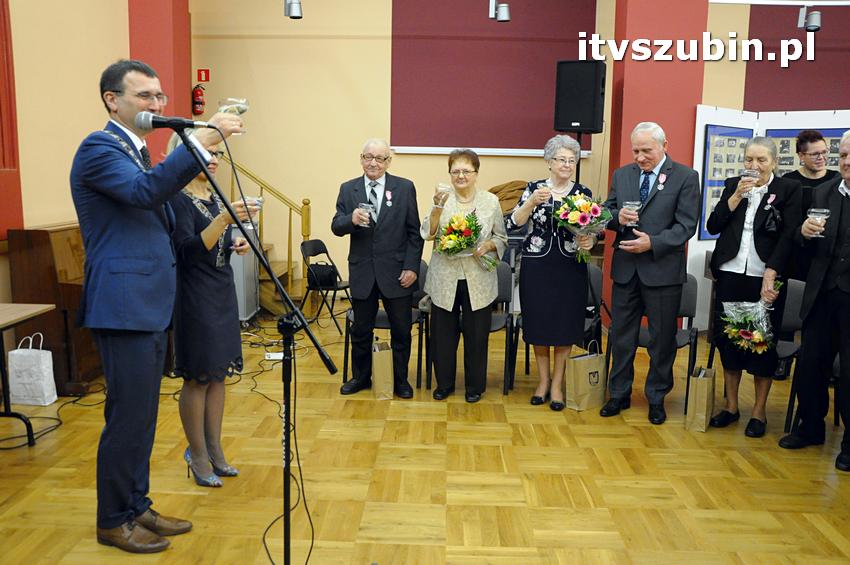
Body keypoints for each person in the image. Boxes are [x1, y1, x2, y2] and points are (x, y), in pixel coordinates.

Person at [70, 59, 242, 553]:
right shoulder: (99, 148)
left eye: (160, 97)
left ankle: (136, 505)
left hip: (149, 304)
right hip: (122, 305)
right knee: (127, 418)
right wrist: (201, 142)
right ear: (113, 100)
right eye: (145, 96)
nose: (157, 105)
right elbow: (145, 195)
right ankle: (112, 519)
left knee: (144, 417)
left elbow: (169, 222)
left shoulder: (139, 153)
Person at [166, 134, 256, 487]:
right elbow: (186, 252)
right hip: (194, 296)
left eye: (218, 152)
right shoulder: (176, 199)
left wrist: (235, 244)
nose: (215, 158)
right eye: (207, 152)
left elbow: (214, 246)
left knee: (218, 374)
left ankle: (216, 450)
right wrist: (225, 222)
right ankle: (197, 453)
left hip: (221, 291)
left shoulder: (213, 197)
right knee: (198, 376)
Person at [601, 122, 700, 425]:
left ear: (664, 145)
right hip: (626, 271)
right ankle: (619, 394)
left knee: (661, 340)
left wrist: (652, 243)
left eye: (647, 150)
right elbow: (605, 211)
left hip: (663, 272)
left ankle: (656, 397)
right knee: (621, 337)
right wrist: (616, 217)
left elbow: (686, 226)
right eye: (636, 151)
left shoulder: (685, 177)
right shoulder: (622, 175)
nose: (640, 157)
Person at [706, 137, 802, 438]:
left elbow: (789, 237)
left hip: (765, 277)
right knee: (730, 342)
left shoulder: (787, 190)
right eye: (749, 159)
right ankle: (731, 406)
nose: (754, 166)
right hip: (731, 272)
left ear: (774, 162)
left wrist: (772, 272)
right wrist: (735, 197)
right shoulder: (734, 184)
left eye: (761, 160)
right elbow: (713, 225)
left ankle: (758, 412)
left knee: (762, 344)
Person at [506, 135, 596, 411]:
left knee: (564, 327)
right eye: (561, 159)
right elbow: (513, 223)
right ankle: (543, 382)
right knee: (540, 325)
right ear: (549, 161)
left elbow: (591, 231)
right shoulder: (534, 189)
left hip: (570, 267)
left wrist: (588, 240)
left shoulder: (583, 193)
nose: (567, 165)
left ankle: (557, 385)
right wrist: (531, 202)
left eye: (572, 160)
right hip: (537, 267)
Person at [778, 129, 850, 473]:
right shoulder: (825, 191)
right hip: (821, 293)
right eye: (845, 156)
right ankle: (810, 428)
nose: (846, 162)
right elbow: (800, 239)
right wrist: (803, 234)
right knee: (811, 363)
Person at [331, 139, 424, 398]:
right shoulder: (348, 189)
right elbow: (336, 226)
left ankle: (400, 380)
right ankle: (361, 377)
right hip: (363, 273)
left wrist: (412, 267)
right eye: (368, 157)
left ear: (388, 161)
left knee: (401, 331)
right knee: (361, 330)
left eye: (380, 158)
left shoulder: (404, 188)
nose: (373, 163)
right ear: (361, 158)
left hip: (396, 273)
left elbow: (414, 234)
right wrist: (350, 219)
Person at [422, 149, 508, 403]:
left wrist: (489, 246)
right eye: (455, 171)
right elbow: (427, 233)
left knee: (476, 335)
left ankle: (474, 387)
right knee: (443, 335)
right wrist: (437, 207)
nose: (460, 176)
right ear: (449, 174)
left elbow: (501, 237)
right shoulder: (442, 199)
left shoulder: (490, 201)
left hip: (477, 275)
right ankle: (444, 384)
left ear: (476, 173)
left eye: (466, 171)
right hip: (444, 275)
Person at [782, 130, 841, 280]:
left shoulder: (837, 180)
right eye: (815, 154)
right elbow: (783, 224)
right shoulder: (788, 181)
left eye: (824, 152)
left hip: (829, 259)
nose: (821, 158)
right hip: (796, 257)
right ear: (801, 156)